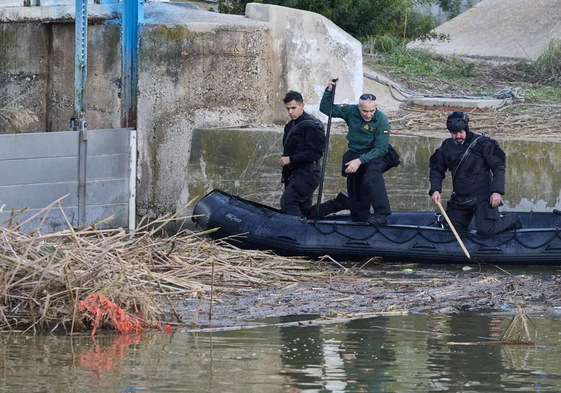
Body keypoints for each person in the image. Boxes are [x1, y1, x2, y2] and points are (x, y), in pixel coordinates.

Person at [315, 78, 399, 226]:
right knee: (355, 182)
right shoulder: (350, 111)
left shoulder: (382, 120)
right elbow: (326, 109)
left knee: (372, 172)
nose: (368, 115)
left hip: (378, 153)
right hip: (356, 151)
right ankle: (360, 219)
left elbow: (381, 149)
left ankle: (382, 214)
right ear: (359, 107)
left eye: (372, 111)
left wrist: (360, 161)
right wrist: (329, 91)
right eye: (365, 111)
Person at [429, 111, 522, 235]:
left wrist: (497, 192)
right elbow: (436, 169)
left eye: (460, 132)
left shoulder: (483, 144)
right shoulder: (447, 147)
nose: (458, 136)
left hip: (483, 197)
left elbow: (498, 167)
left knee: (486, 230)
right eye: (454, 133)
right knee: (450, 233)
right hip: (460, 198)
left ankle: (513, 219)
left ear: (466, 129)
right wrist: (435, 190)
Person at [279, 90, 326, 217]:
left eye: (293, 108)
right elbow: (286, 154)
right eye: (288, 108)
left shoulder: (312, 125)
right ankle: (340, 202)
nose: (290, 112)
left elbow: (316, 153)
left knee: (288, 201)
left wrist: (291, 159)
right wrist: (284, 179)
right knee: (304, 210)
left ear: (302, 106)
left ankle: (296, 232)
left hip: (309, 173)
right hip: (296, 173)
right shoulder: (290, 126)